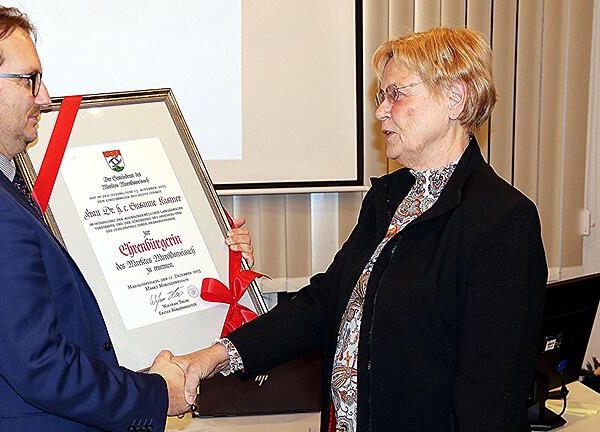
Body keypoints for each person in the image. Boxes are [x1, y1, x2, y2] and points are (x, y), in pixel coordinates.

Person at [173, 27, 547, 432]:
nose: (381, 111)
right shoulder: (388, 199)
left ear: (455, 98)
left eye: (397, 94)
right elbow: (325, 302)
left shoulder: (502, 219)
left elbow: (491, 396)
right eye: (380, 97)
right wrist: (218, 354)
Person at [0, 4, 253, 431]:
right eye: (29, 79)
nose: (45, 97)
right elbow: (41, 366)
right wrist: (158, 394)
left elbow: (69, 291)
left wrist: (215, 257)